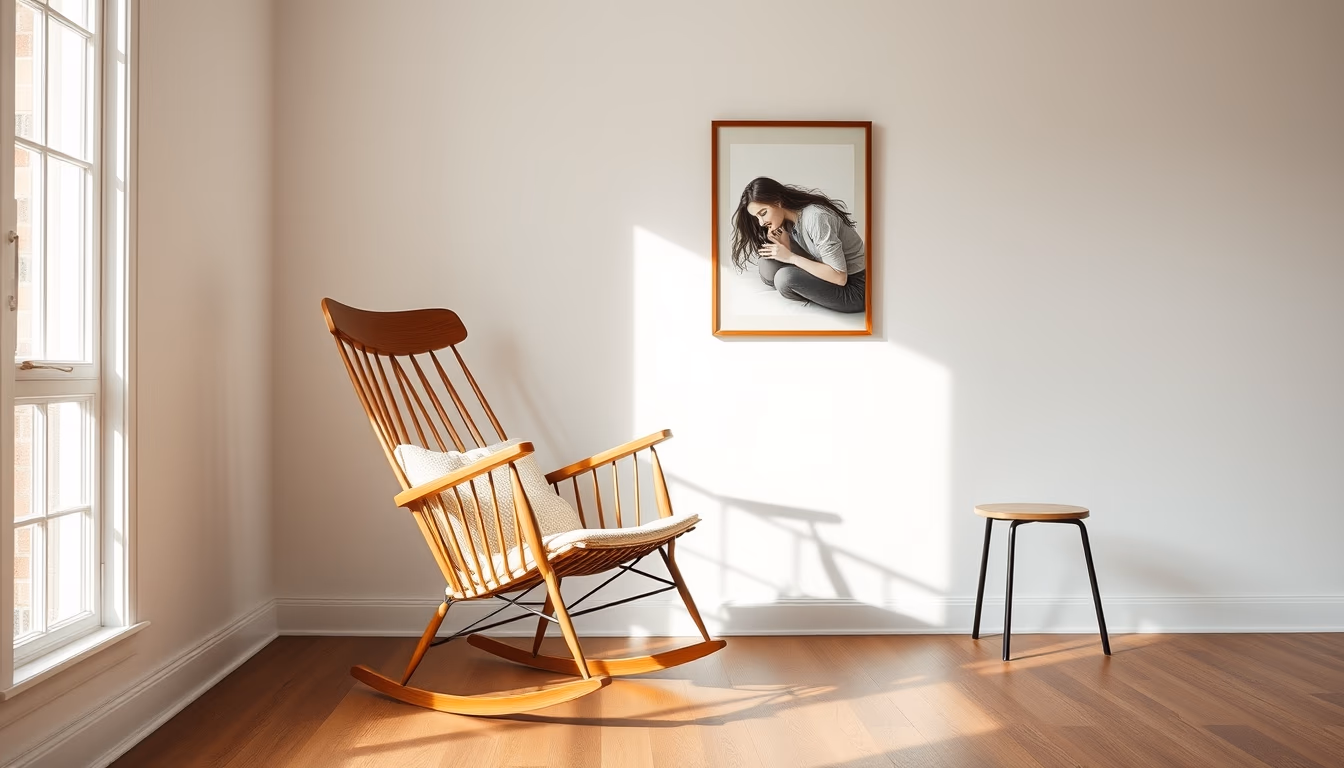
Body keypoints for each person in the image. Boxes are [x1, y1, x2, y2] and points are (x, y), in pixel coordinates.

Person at [730, 177, 866, 314]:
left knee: (784, 278)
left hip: (855, 287)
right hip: (829, 273)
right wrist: (784, 244)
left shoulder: (816, 218)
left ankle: (805, 291)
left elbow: (839, 277)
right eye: (757, 217)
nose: (761, 222)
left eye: (763, 213)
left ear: (778, 202)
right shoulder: (788, 221)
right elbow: (811, 255)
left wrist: (790, 257)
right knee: (767, 265)